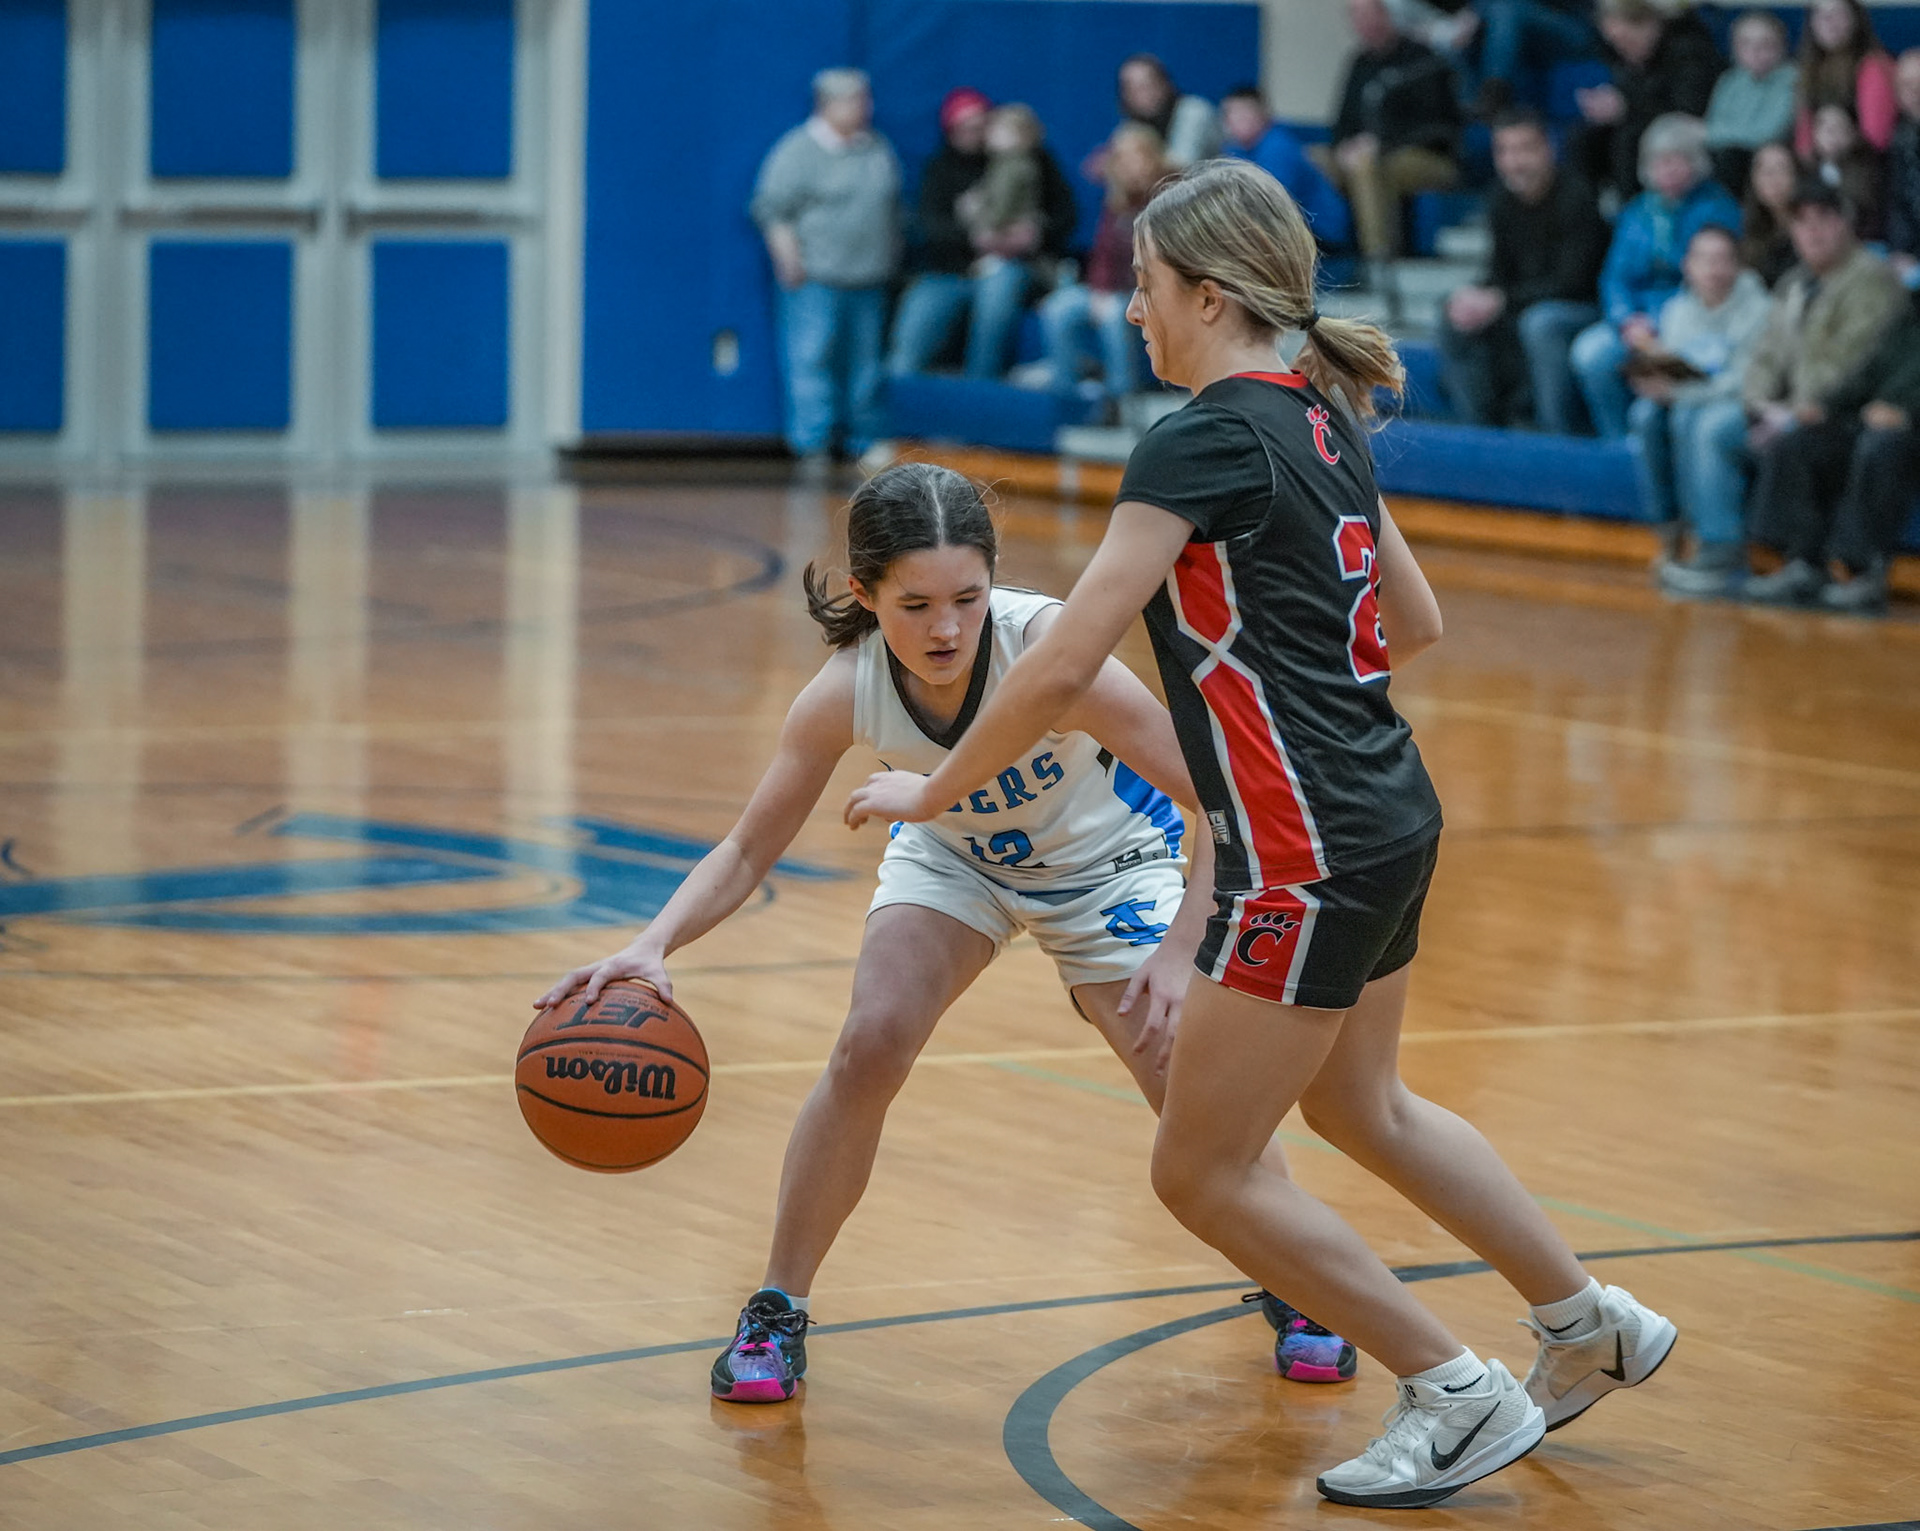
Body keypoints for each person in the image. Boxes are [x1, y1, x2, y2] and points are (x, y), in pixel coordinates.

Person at [844, 157, 1677, 1512]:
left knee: (1201, 1169)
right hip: (1389, 806)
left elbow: (1060, 664)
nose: (1133, 311)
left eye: (1147, 286)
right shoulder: (1323, 418)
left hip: (1303, 843)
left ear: (1211, 295)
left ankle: (1453, 1388)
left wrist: (930, 792)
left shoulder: (1199, 442)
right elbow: (1414, 623)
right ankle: (1588, 1319)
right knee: (1362, 1103)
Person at [534, 461, 1357, 1405]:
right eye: (916, 605)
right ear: (865, 594)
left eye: (967, 598)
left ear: (993, 579)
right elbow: (747, 848)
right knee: (870, 1040)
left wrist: (1181, 953)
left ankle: (1300, 1281)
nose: (946, 629)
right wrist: (653, 944)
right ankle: (776, 1306)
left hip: (1110, 863)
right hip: (956, 855)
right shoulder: (847, 689)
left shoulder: (1054, 654)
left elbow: (1225, 804)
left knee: (1186, 1082)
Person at [1660, 177, 1908, 597]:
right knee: (1693, 417)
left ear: (1844, 224)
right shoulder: (1793, 283)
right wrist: (1758, 403)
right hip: (1786, 409)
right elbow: (1765, 357)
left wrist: (1795, 408)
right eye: (1802, 222)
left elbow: (1852, 364)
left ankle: (1731, 551)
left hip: (1840, 412)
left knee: (1720, 429)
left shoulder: (1871, 280)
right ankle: (1711, 543)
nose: (1812, 231)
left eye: (1823, 219)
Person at [751, 69, 901, 466]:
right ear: (826, 104)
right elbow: (772, 210)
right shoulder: (798, 150)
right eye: (854, 100)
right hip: (816, 275)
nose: (864, 108)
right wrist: (788, 257)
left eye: (865, 99)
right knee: (812, 356)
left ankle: (864, 439)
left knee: (866, 364)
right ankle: (813, 443)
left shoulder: (876, 147)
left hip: (870, 275)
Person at [1741, 293, 1920, 613]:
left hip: (1907, 430)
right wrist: (1826, 406)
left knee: (1880, 447)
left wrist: (1908, 415)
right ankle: (1804, 562)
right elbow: (1868, 372)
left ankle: (1865, 572)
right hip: (1875, 421)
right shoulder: (1910, 316)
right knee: (1804, 441)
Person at [888, 89, 1078, 382]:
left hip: (1011, 264)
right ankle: (899, 393)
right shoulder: (941, 168)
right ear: (950, 131)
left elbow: (1065, 214)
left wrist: (1035, 233)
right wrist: (974, 237)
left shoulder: (1028, 161)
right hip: (950, 270)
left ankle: (980, 385)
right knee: (915, 326)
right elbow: (931, 227)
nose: (974, 135)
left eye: (980, 126)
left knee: (997, 293)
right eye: (965, 128)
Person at [1570, 113, 1741, 437]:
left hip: (1691, 322)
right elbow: (1615, 277)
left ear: (1696, 163)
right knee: (1591, 353)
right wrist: (1626, 319)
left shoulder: (1719, 209)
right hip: (1637, 321)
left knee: (1657, 377)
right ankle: (1618, 442)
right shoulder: (1636, 212)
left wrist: (1661, 322)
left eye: (1677, 161)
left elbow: (1708, 279)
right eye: (1660, 162)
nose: (1668, 170)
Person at [1438, 108, 1609, 430]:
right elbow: (1499, 271)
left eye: (1524, 149)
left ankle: (1554, 434)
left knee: (1540, 323)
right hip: (1524, 302)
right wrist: (1477, 296)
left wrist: (1502, 300)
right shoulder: (1500, 200)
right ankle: (1479, 428)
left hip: (1580, 308)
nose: (1514, 162)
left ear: (1547, 150)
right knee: (1452, 310)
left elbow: (1574, 282)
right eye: (1504, 151)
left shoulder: (1577, 196)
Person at [1626, 224, 1771, 555]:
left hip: (1745, 405)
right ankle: (1668, 524)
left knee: (1703, 422)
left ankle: (1718, 541)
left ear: (1737, 265)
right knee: (1645, 415)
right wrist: (1653, 380)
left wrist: (1678, 393)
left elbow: (1746, 382)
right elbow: (1675, 369)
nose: (1713, 269)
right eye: (1704, 260)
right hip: (1692, 400)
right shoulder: (1677, 311)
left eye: (1722, 260)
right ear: (1687, 266)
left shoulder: (1760, 310)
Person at [1314, 0, 1463, 266]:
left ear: (1386, 15)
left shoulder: (1422, 59)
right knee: (1312, 160)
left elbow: (1437, 125)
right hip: (1363, 152)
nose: (1364, 23)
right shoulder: (1359, 62)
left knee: (1365, 165)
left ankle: (1378, 260)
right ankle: (1316, 250)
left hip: (1427, 158)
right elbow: (1342, 120)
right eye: (1356, 16)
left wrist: (1380, 144)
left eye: (1369, 14)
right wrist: (1344, 146)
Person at [1038, 124, 1163, 407]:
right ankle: (1067, 396)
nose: (1128, 165)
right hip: (1111, 289)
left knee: (1114, 315)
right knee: (1057, 308)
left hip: (1148, 290)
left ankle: (1121, 401)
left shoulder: (1166, 196)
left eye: (1135, 156)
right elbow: (1103, 253)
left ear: (1151, 157)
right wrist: (1100, 291)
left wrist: (1116, 295)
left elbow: (1159, 261)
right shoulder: (1116, 197)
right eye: (1122, 157)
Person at [1573, 0, 1721, 203]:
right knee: (1582, 138)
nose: (1620, 48)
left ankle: (1632, 208)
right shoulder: (1627, 58)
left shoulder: (1688, 50)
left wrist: (1626, 106)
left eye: (1626, 40)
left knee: (1628, 138)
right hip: (1641, 117)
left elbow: (1689, 107)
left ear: (1650, 25)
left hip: (1688, 127)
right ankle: (1588, 211)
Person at [1220, 85, 1354, 250]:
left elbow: (1269, 203)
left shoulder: (1279, 145)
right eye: (1229, 113)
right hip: (1289, 228)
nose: (1234, 120)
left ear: (1263, 114)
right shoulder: (1235, 149)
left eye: (1243, 113)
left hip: (1322, 232)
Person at [1704, 9, 1799, 195]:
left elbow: (1768, 133)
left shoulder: (1793, 80)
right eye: (1746, 44)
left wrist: (1714, 133)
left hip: (1769, 156)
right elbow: (1713, 123)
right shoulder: (1729, 80)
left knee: (1730, 157)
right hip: (1726, 157)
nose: (1755, 52)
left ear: (1782, 46)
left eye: (1765, 44)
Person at [1793, 0, 1897, 156]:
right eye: (1820, 14)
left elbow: (1876, 139)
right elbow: (1804, 140)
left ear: (1856, 20)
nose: (1828, 21)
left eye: (1838, 14)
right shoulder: (1807, 67)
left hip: (1862, 161)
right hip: (1820, 162)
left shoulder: (1874, 65)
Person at [1115, 53, 1223, 169]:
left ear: (1165, 83)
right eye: (1132, 89)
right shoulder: (1134, 126)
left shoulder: (1194, 111)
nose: (1144, 94)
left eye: (1147, 85)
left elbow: (1181, 167)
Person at [1808, 102, 1886, 239]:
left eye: (1838, 127)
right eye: (1824, 126)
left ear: (1853, 133)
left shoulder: (1870, 167)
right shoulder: (1807, 171)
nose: (1830, 134)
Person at [1741, 140, 1802, 286]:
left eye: (1782, 169)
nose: (1773, 179)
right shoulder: (1748, 230)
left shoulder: (1812, 226)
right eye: (1765, 171)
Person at [1891, 49, 1920, 282]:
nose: (1916, 93)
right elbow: (1897, 202)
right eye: (1907, 86)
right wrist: (1902, 250)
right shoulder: (1899, 139)